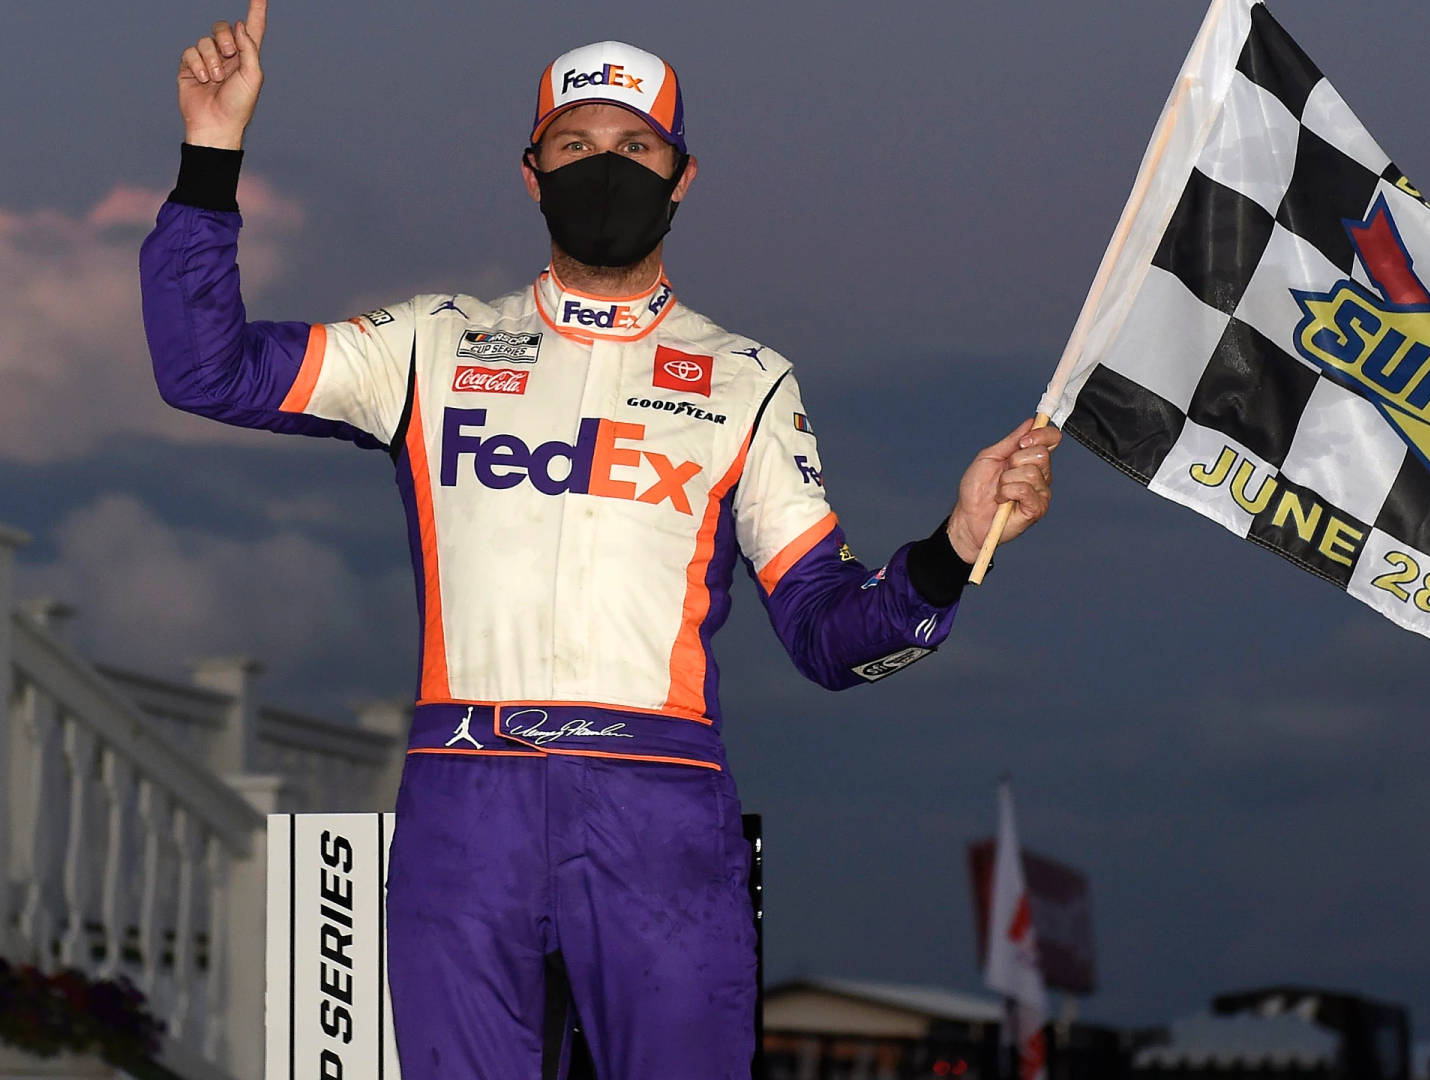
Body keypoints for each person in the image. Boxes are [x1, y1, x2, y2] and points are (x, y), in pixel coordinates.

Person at [143, 5, 1061, 1078]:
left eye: (635, 146)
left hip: (660, 807)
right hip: (464, 790)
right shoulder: (432, 344)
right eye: (575, 145)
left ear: (684, 175)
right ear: (531, 174)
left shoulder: (746, 378)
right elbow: (204, 370)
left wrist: (953, 543)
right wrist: (211, 154)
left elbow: (829, 635)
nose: (605, 167)